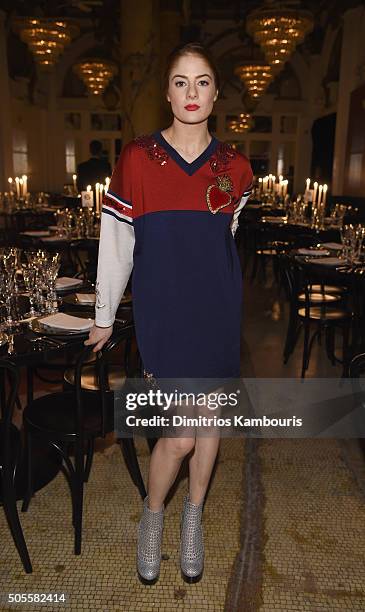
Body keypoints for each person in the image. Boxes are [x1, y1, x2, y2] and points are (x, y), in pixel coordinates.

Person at [85, 42, 253, 584]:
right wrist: (105, 313)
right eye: (180, 82)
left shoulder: (236, 167)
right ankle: (154, 513)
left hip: (217, 312)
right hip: (166, 317)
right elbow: (116, 243)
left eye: (202, 82)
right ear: (167, 93)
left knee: (209, 429)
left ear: (216, 93)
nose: (191, 93)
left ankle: (194, 516)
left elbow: (225, 236)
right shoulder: (137, 159)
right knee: (180, 436)